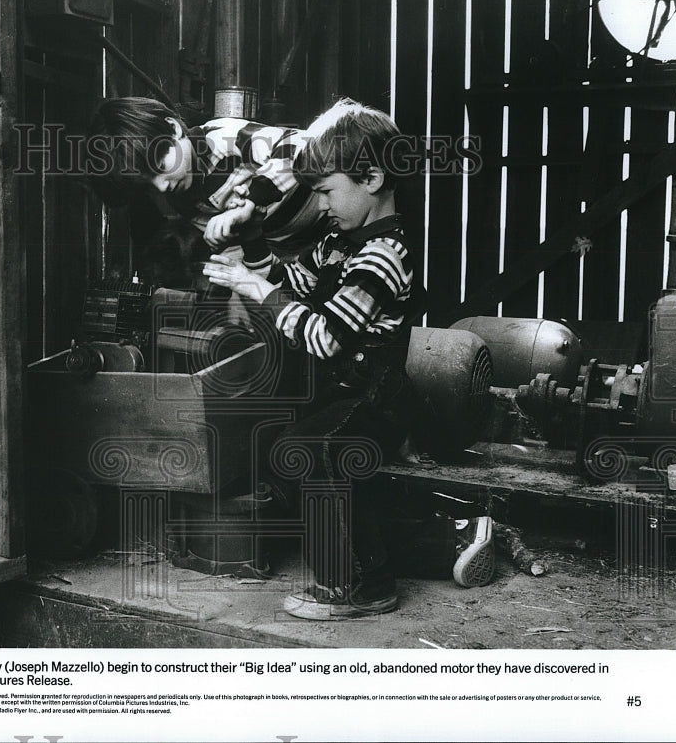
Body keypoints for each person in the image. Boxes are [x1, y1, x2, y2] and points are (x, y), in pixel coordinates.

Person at [203, 98, 495, 620]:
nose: (320, 204)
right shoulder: (340, 241)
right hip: (343, 395)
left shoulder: (384, 255)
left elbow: (326, 337)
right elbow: (293, 284)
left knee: (312, 452)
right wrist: (249, 249)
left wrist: (251, 287)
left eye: (327, 190)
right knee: (283, 454)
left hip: (375, 398)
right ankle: (456, 539)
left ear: (372, 178)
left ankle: (364, 586)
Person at [86, 97, 330, 282]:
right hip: (298, 253)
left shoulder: (223, 137)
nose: (162, 186)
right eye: (149, 186)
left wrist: (253, 200)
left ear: (174, 129)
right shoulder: (177, 196)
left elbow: (301, 146)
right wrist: (225, 237)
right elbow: (240, 248)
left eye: (160, 166)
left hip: (333, 216)